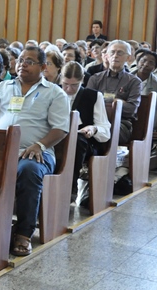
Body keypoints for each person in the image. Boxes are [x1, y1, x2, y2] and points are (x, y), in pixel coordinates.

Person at [0, 46, 70, 256]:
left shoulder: (54, 93)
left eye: (29, 61)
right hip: (1, 150)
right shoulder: (2, 88)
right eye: (20, 60)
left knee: (29, 170)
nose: (22, 64)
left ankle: (24, 233)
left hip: (36, 152)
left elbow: (60, 128)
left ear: (43, 67)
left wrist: (40, 145)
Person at [61, 61, 111, 203]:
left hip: (84, 142)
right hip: (58, 137)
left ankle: (70, 188)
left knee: (76, 142)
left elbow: (105, 129)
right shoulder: (55, 92)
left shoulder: (93, 96)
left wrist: (93, 129)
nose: (69, 89)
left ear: (82, 80)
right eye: (65, 84)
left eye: (74, 85)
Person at [87, 40, 142, 144]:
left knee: (104, 131)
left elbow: (131, 109)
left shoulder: (134, 82)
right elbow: (88, 104)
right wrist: (117, 101)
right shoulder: (95, 78)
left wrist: (103, 100)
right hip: (97, 121)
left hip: (121, 124)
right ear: (107, 56)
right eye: (112, 52)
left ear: (128, 57)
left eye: (120, 53)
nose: (115, 56)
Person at [131, 49, 157, 130]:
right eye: (143, 60)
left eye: (151, 63)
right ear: (137, 62)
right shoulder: (127, 78)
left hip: (147, 120)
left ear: (154, 68)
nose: (146, 64)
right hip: (127, 117)